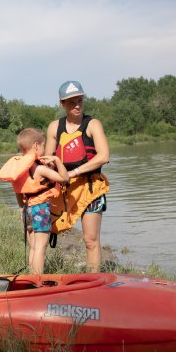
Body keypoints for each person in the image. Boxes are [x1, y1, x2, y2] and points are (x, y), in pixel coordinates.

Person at [45, 80, 110, 273]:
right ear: (62, 104)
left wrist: (73, 172)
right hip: (65, 190)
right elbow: (48, 160)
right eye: (72, 102)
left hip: (91, 189)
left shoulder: (92, 124)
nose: (77, 105)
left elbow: (104, 156)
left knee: (90, 239)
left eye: (80, 100)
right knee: (44, 231)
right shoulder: (54, 127)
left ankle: (94, 280)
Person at [0, 128, 69, 274]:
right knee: (40, 248)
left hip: (26, 210)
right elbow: (64, 178)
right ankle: (37, 279)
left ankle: (31, 276)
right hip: (40, 209)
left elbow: (19, 192)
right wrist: (57, 160)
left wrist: (20, 209)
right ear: (36, 146)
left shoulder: (19, 168)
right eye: (43, 146)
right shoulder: (39, 169)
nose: (44, 149)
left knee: (33, 247)